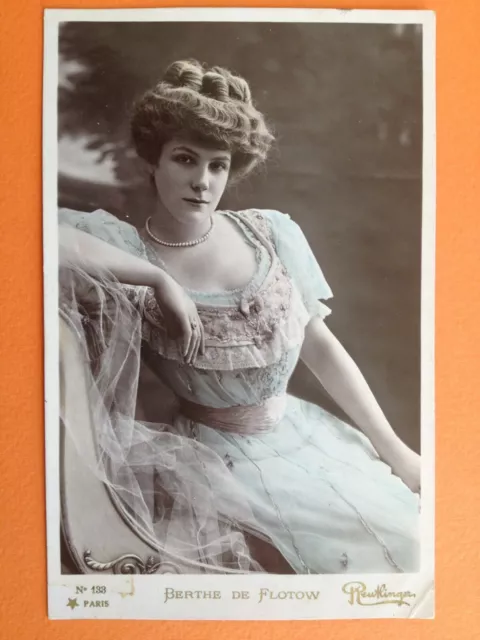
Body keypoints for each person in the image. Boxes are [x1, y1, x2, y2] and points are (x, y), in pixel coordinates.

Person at [58, 59, 420, 575]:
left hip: (304, 435)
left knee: (409, 538)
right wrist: (158, 279)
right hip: (209, 467)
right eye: (185, 159)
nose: (202, 181)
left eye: (218, 165)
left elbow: (320, 346)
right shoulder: (123, 247)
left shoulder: (269, 233)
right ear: (152, 163)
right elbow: (41, 238)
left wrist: (398, 453)